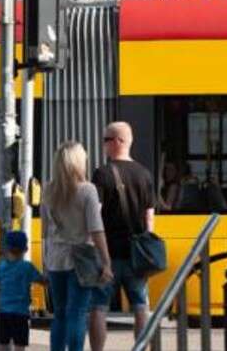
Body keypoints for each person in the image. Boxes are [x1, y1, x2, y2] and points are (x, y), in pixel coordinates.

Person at [89, 122, 157, 351]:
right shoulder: (144, 174)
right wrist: (147, 246)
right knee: (140, 305)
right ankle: (142, 348)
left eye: (106, 139)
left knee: (99, 306)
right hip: (136, 255)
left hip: (107, 254)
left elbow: (95, 213)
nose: (104, 144)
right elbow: (149, 217)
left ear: (119, 141)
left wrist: (92, 245)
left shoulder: (102, 174)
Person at [41, 141, 113, 351]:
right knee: (77, 313)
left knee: (60, 314)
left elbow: (45, 231)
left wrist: (45, 262)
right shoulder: (87, 190)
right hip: (81, 260)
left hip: (55, 259)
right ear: (79, 163)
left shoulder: (48, 191)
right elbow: (96, 229)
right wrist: (106, 262)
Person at [0, 230, 47, 351]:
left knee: (2, 342)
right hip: (20, 313)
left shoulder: (1, 266)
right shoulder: (27, 267)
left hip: (2, 312)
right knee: (20, 344)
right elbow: (43, 281)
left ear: (7, 248)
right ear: (26, 249)